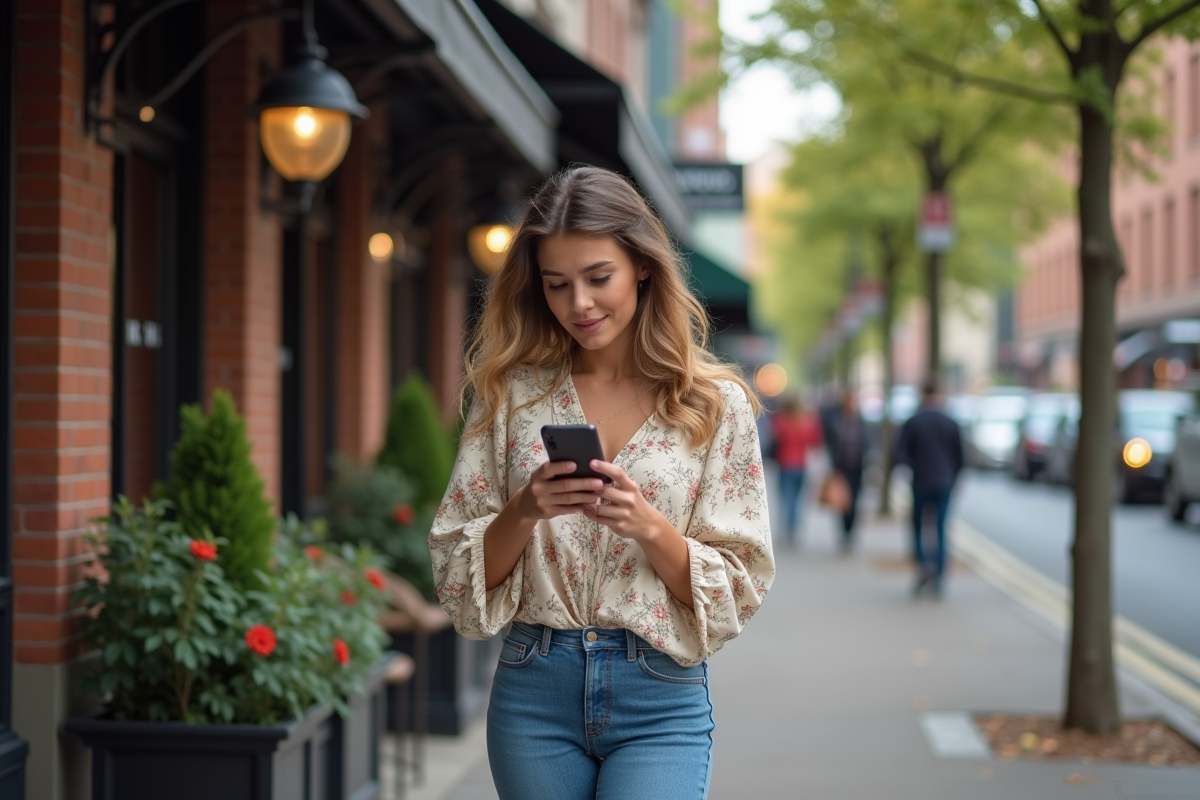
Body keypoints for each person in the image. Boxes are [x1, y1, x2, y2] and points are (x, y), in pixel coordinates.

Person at [428, 166, 775, 800]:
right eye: (557, 285)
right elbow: (457, 570)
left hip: (659, 693)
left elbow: (741, 582)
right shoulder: (510, 396)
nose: (579, 304)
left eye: (598, 278)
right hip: (535, 688)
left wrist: (649, 526)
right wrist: (526, 509)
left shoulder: (713, 404)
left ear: (642, 265)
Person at [893, 380, 965, 598]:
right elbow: (960, 457)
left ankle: (923, 566)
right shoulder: (950, 422)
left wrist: (914, 467)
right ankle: (940, 575)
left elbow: (900, 454)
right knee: (941, 530)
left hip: (921, 482)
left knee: (917, 528)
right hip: (944, 483)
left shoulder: (914, 421)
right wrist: (954, 479)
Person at [770, 396, 823, 546]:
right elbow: (815, 441)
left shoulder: (781, 422)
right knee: (797, 500)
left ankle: (788, 528)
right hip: (801, 464)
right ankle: (793, 529)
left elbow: (775, 438)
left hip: (785, 463)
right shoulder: (807, 422)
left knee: (787, 499)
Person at [823, 390, 866, 552]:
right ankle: (844, 531)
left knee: (854, 501)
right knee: (843, 501)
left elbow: (867, 441)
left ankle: (850, 532)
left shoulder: (860, 420)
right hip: (841, 468)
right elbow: (830, 442)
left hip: (857, 467)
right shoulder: (835, 420)